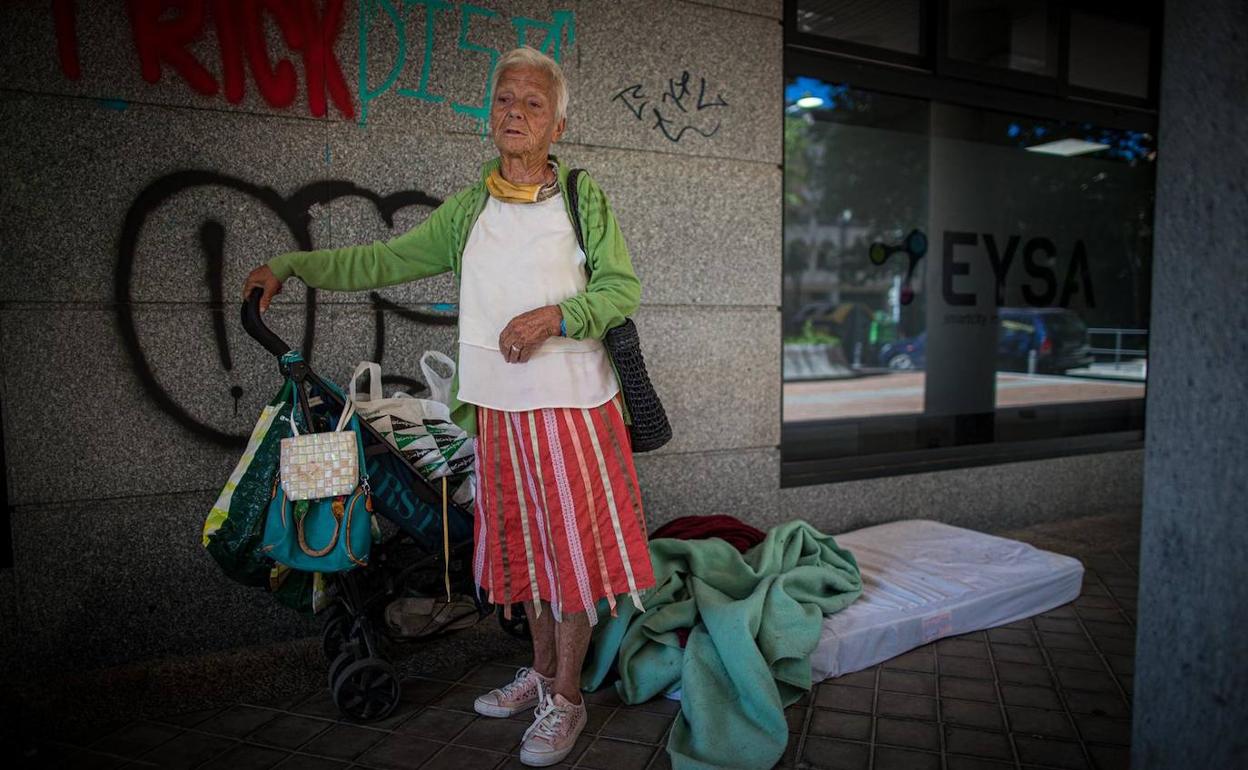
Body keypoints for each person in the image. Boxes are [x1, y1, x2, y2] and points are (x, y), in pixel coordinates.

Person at [242, 46, 654, 767]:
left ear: (558, 125)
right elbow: (380, 261)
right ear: (489, 115)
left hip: (572, 413)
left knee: (571, 562)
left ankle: (568, 697)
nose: (515, 113)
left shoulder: (582, 197)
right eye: (504, 100)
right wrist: (290, 266)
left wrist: (553, 318)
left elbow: (620, 290)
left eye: (533, 104)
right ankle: (540, 672)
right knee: (526, 556)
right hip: (496, 415)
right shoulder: (470, 211)